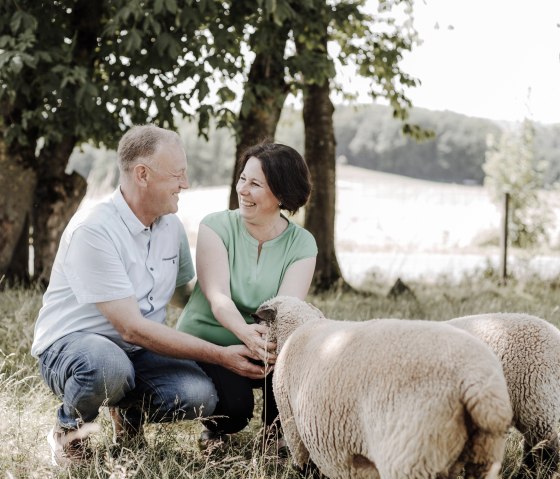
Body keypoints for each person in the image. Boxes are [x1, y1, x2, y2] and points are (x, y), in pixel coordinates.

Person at [31, 124, 266, 466]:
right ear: (142, 174)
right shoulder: (95, 230)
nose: (184, 184)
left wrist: (239, 314)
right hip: (75, 348)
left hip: (137, 353)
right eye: (178, 175)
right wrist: (220, 354)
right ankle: (70, 431)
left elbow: (184, 294)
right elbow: (131, 328)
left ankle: (126, 417)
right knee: (107, 366)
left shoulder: (170, 226)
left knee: (198, 393)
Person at [176, 141, 317, 449]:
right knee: (236, 412)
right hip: (210, 341)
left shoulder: (302, 244)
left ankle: (277, 436)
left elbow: (285, 310)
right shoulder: (215, 226)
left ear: (281, 193)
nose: (243, 189)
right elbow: (218, 298)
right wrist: (245, 335)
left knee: (299, 363)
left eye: (255, 184)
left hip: (265, 342)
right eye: (243, 178)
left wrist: (263, 343)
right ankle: (216, 430)